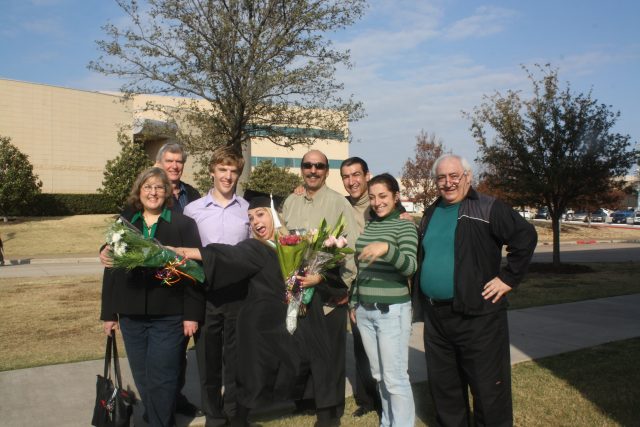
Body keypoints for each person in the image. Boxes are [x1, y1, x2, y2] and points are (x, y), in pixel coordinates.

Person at [411, 154, 537, 427]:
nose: (448, 183)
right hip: (437, 317)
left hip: (478, 317)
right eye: (441, 177)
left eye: (454, 176)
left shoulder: (487, 207)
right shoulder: (431, 212)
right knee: (445, 388)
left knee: (488, 389)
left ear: (468, 177)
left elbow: (525, 236)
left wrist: (508, 278)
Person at [173, 194, 301, 427]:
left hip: (280, 321)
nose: (255, 222)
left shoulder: (291, 245)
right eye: (250, 218)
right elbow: (227, 255)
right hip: (257, 325)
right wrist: (188, 252)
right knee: (248, 373)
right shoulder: (253, 247)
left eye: (260, 215)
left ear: (274, 216)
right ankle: (237, 418)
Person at [100, 167, 205, 427]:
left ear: (167, 192)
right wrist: (108, 314)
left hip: (168, 314)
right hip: (131, 313)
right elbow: (111, 271)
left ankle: (160, 421)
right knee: (143, 376)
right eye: (148, 187)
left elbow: (194, 272)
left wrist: (192, 315)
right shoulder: (124, 225)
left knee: (163, 375)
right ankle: (159, 414)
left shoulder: (183, 224)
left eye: (159, 187)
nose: (153, 192)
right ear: (139, 191)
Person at [280, 149, 359, 426]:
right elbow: (283, 240)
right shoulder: (291, 201)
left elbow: (350, 249)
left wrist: (344, 287)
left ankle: (329, 412)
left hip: (328, 291)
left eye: (319, 166)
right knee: (302, 349)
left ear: (326, 171)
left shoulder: (338, 203)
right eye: (308, 165)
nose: (313, 170)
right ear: (302, 169)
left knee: (330, 355)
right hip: (298, 291)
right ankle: (306, 400)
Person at [183, 146, 250, 427]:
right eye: (222, 170)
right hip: (206, 294)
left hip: (238, 294)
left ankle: (235, 413)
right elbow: (186, 256)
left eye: (233, 171)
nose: (227, 176)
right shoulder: (193, 210)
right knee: (208, 361)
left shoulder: (247, 210)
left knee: (236, 360)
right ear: (212, 171)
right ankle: (214, 415)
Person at [350, 173, 418, 427]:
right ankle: (387, 422)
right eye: (372, 197)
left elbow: (410, 267)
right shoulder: (372, 225)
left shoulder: (405, 225)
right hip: (366, 311)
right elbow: (361, 267)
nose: (377, 202)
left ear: (396, 196)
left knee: (395, 377)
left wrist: (388, 249)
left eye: (383, 196)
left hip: (392, 311)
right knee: (379, 375)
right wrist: (354, 300)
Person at [338, 157, 381, 417]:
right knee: (361, 345)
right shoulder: (341, 205)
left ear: (367, 175)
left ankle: (388, 396)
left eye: (356, 175)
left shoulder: (380, 203)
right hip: (355, 286)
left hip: (383, 284)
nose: (352, 181)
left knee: (385, 345)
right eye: (346, 176)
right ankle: (367, 399)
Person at [155, 142, 201, 213]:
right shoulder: (152, 193)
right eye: (169, 161)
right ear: (159, 164)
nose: (175, 166)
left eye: (179, 162)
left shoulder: (194, 194)